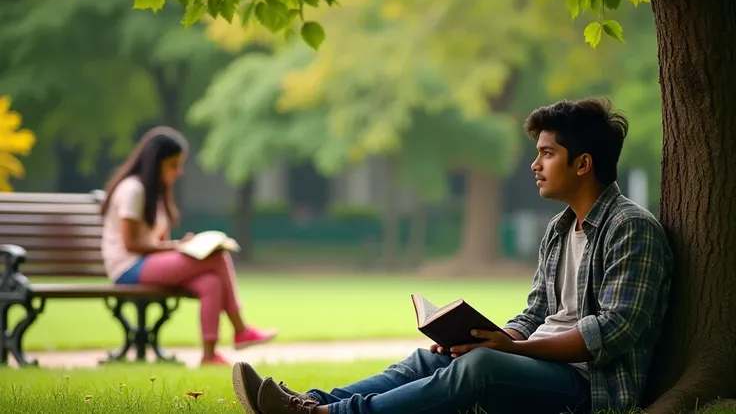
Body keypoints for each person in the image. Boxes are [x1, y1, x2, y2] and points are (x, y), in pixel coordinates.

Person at [229, 97, 674, 414]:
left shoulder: (631, 228)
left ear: (583, 163)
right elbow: (534, 313)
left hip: (589, 388)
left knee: (479, 366)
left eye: (546, 154)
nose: (534, 165)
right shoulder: (559, 231)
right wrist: (484, 336)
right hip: (540, 364)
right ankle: (311, 402)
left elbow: (612, 332)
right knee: (436, 358)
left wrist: (511, 351)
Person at [100, 126, 276, 366]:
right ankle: (240, 328)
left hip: (145, 264)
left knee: (210, 282)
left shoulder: (155, 193)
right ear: (156, 163)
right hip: (128, 268)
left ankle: (209, 355)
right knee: (217, 256)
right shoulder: (133, 190)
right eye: (173, 164)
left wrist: (183, 247)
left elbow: (157, 243)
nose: (179, 172)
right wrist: (178, 247)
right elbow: (131, 244)